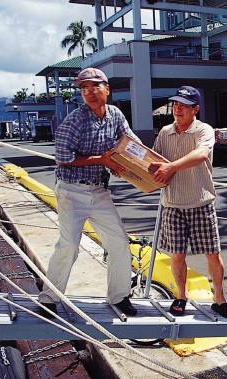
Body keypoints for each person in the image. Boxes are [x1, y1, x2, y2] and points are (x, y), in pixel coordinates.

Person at [38, 67, 137, 317]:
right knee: (69, 245)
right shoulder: (74, 120)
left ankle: (119, 295)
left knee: (119, 243)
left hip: (99, 190)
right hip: (71, 191)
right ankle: (48, 298)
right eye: (84, 89)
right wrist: (102, 161)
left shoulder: (115, 114)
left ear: (107, 89)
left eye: (95, 87)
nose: (90, 93)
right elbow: (63, 158)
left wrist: (151, 163)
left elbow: (130, 141)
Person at [151, 86, 227, 319]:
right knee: (177, 255)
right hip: (172, 204)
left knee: (213, 254)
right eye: (175, 104)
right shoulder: (164, 132)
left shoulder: (204, 130)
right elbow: (153, 162)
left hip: (201, 203)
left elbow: (201, 155)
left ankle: (219, 299)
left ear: (195, 109)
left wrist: (171, 166)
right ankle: (181, 296)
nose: (177, 108)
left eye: (183, 105)